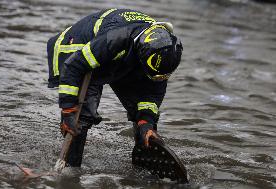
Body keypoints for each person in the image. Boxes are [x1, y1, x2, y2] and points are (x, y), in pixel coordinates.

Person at [47, 8, 186, 181]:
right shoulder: (116, 39)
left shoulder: (163, 53)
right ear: (142, 55)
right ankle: (69, 173)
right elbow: (74, 66)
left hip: (121, 58)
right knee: (80, 117)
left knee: (146, 123)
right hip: (76, 50)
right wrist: (68, 109)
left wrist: (145, 121)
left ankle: (144, 170)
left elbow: (152, 93)